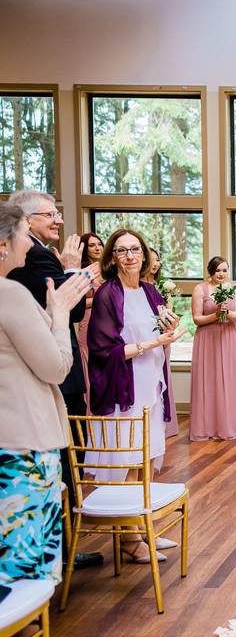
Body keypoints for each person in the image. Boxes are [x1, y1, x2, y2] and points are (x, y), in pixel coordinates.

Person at [6, 189, 104, 571]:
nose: (58, 221)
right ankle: (57, 556)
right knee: (63, 467)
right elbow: (68, 315)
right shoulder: (30, 266)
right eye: (51, 214)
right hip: (35, 407)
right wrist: (68, 280)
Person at [86, 229, 185, 563]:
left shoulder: (149, 291)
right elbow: (101, 348)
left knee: (147, 458)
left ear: (144, 255)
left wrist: (170, 331)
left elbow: (161, 331)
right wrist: (148, 345)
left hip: (150, 384)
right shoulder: (106, 295)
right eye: (121, 250)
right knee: (128, 459)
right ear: (112, 257)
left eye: (134, 249)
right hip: (123, 387)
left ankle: (142, 529)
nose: (129, 256)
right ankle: (129, 539)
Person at [189, 256, 236, 441]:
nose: (221, 274)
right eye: (217, 270)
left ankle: (230, 426)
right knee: (208, 380)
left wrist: (226, 313)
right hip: (207, 338)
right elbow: (197, 318)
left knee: (229, 380)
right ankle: (207, 428)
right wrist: (216, 315)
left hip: (229, 336)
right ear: (210, 271)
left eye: (224, 270)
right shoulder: (200, 289)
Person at [141, 247, 179, 437]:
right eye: (152, 259)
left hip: (164, 333)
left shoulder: (160, 285)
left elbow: (166, 310)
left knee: (164, 372)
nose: (155, 264)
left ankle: (162, 423)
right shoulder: (139, 287)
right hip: (148, 337)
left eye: (158, 260)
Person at [76, 232, 104, 414]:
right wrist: (101, 299)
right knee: (90, 360)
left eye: (99, 244)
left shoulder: (110, 269)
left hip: (108, 319)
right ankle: (90, 412)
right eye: (92, 245)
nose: (97, 248)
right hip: (88, 319)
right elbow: (78, 301)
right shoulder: (82, 272)